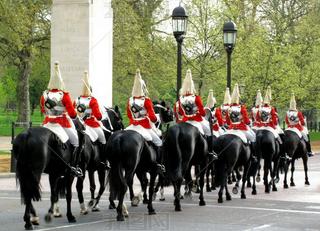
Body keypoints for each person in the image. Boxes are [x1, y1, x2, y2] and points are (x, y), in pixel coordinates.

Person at [40, 61, 82, 176]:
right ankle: (72, 166)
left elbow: (43, 110)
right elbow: (73, 114)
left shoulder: (44, 95)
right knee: (75, 142)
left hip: (47, 123)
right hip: (62, 123)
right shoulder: (64, 95)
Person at [126, 69, 164, 170]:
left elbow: (129, 115)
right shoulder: (146, 100)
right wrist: (156, 119)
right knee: (159, 142)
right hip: (144, 127)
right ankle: (159, 164)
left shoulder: (130, 101)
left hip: (132, 126)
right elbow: (152, 117)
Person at [175, 69, 217, 159]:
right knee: (209, 131)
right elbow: (202, 113)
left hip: (185, 121)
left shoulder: (180, 99)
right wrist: (196, 113)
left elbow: (181, 112)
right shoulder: (196, 98)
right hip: (197, 121)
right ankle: (210, 152)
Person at [74, 71, 110, 169]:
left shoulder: (77, 99)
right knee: (103, 139)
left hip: (78, 124)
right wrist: (101, 117)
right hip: (91, 124)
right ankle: (104, 161)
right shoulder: (92, 100)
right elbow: (98, 116)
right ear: (90, 90)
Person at [285, 92, 314, 157]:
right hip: (297, 128)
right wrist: (301, 123)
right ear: (295, 105)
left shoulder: (287, 113)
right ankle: (309, 151)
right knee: (306, 137)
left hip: (289, 128)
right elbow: (303, 123)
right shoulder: (298, 113)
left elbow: (287, 122)